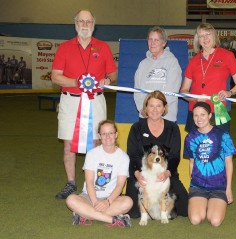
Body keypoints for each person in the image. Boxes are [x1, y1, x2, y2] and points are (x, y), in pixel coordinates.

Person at [51, 9, 117, 199]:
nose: (85, 25)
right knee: (68, 144)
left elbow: (113, 74)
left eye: (89, 22)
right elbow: (55, 77)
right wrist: (77, 82)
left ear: (94, 25)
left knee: (97, 143)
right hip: (70, 102)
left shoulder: (103, 47)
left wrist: (107, 80)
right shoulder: (64, 47)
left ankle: (95, 184)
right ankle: (71, 183)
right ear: (75, 24)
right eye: (81, 21)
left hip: (96, 100)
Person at [126, 90, 188, 218]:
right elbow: (132, 156)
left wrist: (168, 172)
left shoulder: (173, 128)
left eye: (159, 106)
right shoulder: (136, 128)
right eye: (151, 106)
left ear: (164, 108)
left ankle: (165, 204)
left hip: (166, 175)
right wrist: (137, 174)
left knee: (186, 210)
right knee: (134, 213)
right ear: (146, 107)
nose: (155, 110)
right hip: (141, 176)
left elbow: (175, 156)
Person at [66, 120, 133, 227]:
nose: (107, 137)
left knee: (128, 202)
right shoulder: (92, 154)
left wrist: (108, 202)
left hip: (111, 199)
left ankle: (85, 214)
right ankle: (113, 220)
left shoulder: (123, 157)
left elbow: (120, 184)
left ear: (116, 135)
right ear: (99, 136)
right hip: (89, 197)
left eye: (111, 133)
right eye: (104, 134)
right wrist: (95, 202)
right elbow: (89, 182)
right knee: (70, 200)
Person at [180, 23, 236, 133]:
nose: (205, 39)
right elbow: (183, 90)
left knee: (220, 146)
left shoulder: (227, 55)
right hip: (196, 111)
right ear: (198, 40)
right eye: (201, 36)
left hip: (219, 110)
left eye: (208, 34)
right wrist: (195, 99)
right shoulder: (194, 61)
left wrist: (229, 93)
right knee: (196, 147)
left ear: (214, 36)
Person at [183, 102, 236, 227]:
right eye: (196, 115)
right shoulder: (190, 137)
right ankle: (200, 203)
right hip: (198, 186)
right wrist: (192, 185)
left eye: (202, 115)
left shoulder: (222, 135)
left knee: (215, 221)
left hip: (218, 187)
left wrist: (228, 189)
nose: (199, 118)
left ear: (210, 115)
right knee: (196, 219)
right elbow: (191, 162)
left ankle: (213, 204)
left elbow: (228, 163)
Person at [134, 26, 182, 122]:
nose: (152, 43)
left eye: (156, 40)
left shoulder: (172, 62)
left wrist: (157, 110)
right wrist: (142, 109)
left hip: (166, 116)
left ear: (163, 43)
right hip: (145, 116)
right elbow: (137, 90)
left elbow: (172, 91)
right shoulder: (143, 64)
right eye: (150, 39)